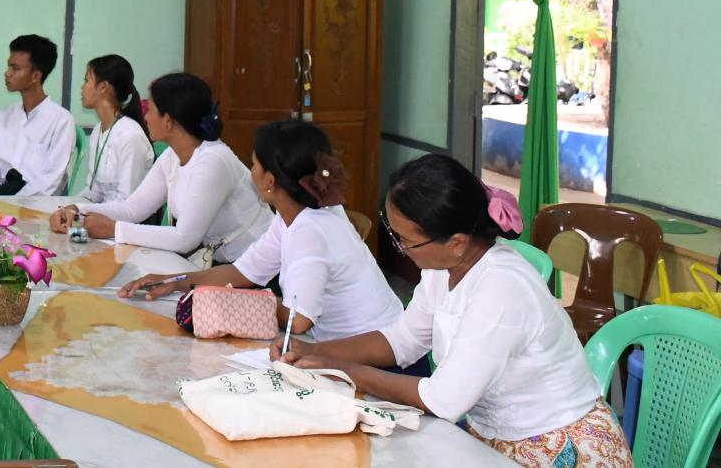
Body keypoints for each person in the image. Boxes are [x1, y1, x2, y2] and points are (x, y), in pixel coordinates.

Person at [279, 155, 632, 467]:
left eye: (406, 240)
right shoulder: (443, 268)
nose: (400, 248)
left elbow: (443, 400)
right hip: (491, 437)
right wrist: (315, 352)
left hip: (559, 448)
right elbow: (402, 340)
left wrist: (344, 370)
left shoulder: (502, 289)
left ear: (457, 242)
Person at [117, 121, 403, 349]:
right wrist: (176, 281)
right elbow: (243, 272)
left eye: (254, 164)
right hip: (353, 345)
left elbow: (298, 320)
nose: (251, 171)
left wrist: (233, 303)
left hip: (374, 353)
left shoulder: (309, 230)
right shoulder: (297, 214)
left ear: (269, 180)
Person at [50, 73, 269, 260]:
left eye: (151, 110)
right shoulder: (172, 156)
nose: (145, 116)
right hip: (227, 263)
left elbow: (184, 239)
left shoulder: (213, 160)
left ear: (168, 121)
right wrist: (76, 211)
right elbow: (132, 209)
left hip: (259, 266)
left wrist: (115, 229)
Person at [0, 34, 75, 196]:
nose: (7, 73)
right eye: (8, 66)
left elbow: (51, 181)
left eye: (15, 68)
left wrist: (13, 202)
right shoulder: (5, 115)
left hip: (36, 206)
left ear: (35, 76)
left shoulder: (61, 120)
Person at [70, 54, 153, 204]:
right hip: (101, 213)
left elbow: (126, 202)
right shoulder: (98, 130)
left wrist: (84, 210)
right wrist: (72, 206)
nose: (82, 87)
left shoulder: (130, 135)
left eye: (86, 80)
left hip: (122, 217)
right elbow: (93, 192)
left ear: (103, 87)